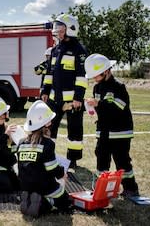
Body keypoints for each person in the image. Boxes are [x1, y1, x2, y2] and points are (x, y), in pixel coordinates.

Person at [84, 53, 139, 197]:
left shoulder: (119, 87)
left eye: (97, 75)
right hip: (103, 131)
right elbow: (100, 110)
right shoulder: (97, 88)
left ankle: (131, 188)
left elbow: (117, 110)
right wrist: (90, 107)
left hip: (120, 132)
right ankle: (100, 189)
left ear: (106, 71)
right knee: (101, 159)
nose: (94, 79)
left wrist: (98, 104)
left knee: (122, 160)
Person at [41, 13, 88, 169]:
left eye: (60, 28)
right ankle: (49, 155)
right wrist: (45, 90)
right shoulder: (55, 50)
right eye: (56, 28)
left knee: (74, 130)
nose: (57, 31)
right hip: (54, 99)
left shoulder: (79, 50)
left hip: (72, 101)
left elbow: (82, 77)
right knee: (49, 128)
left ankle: (73, 160)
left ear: (71, 29)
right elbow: (49, 73)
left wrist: (78, 98)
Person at [17, 100, 71, 216]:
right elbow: (52, 169)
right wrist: (62, 173)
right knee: (65, 200)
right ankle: (46, 202)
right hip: (44, 186)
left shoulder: (21, 143)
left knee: (36, 186)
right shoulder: (48, 144)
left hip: (25, 186)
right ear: (46, 124)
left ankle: (29, 198)